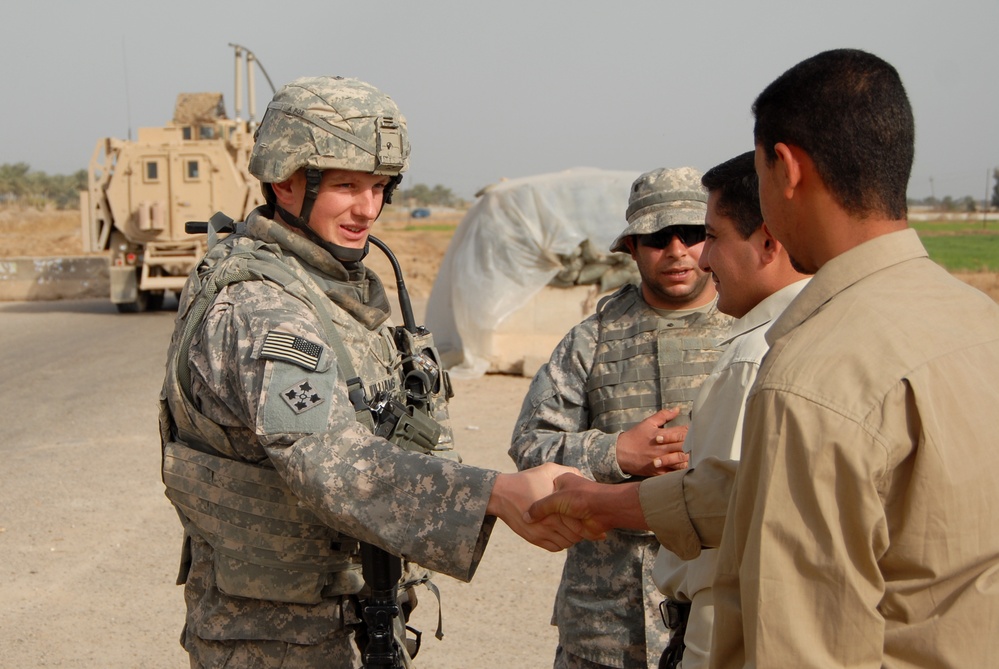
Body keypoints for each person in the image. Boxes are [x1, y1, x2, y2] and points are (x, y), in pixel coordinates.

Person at [529, 49, 999, 667]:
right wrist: (609, 495)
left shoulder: (812, 369)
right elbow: (759, 493)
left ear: (786, 168)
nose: (689, 256)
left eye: (704, 236)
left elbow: (804, 638)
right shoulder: (975, 320)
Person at [158, 75, 587, 669]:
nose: (368, 209)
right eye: (346, 185)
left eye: (380, 187)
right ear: (285, 180)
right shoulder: (263, 306)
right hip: (275, 638)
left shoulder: (330, 288)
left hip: (346, 613)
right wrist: (495, 494)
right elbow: (325, 461)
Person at [509, 166, 732, 669]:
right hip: (608, 621)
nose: (676, 251)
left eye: (692, 235)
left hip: (720, 610)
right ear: (632, 247)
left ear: (713, 239)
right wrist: (615, 453)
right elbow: (530, 445)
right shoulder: (592, 339)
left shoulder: (751, 332)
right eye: (657, 237)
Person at [652, 151, 808, 669]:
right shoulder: (828, 327)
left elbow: (721, 556)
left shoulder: (752, 357)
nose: (699, 259)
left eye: (710, 237)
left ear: (768, 241)